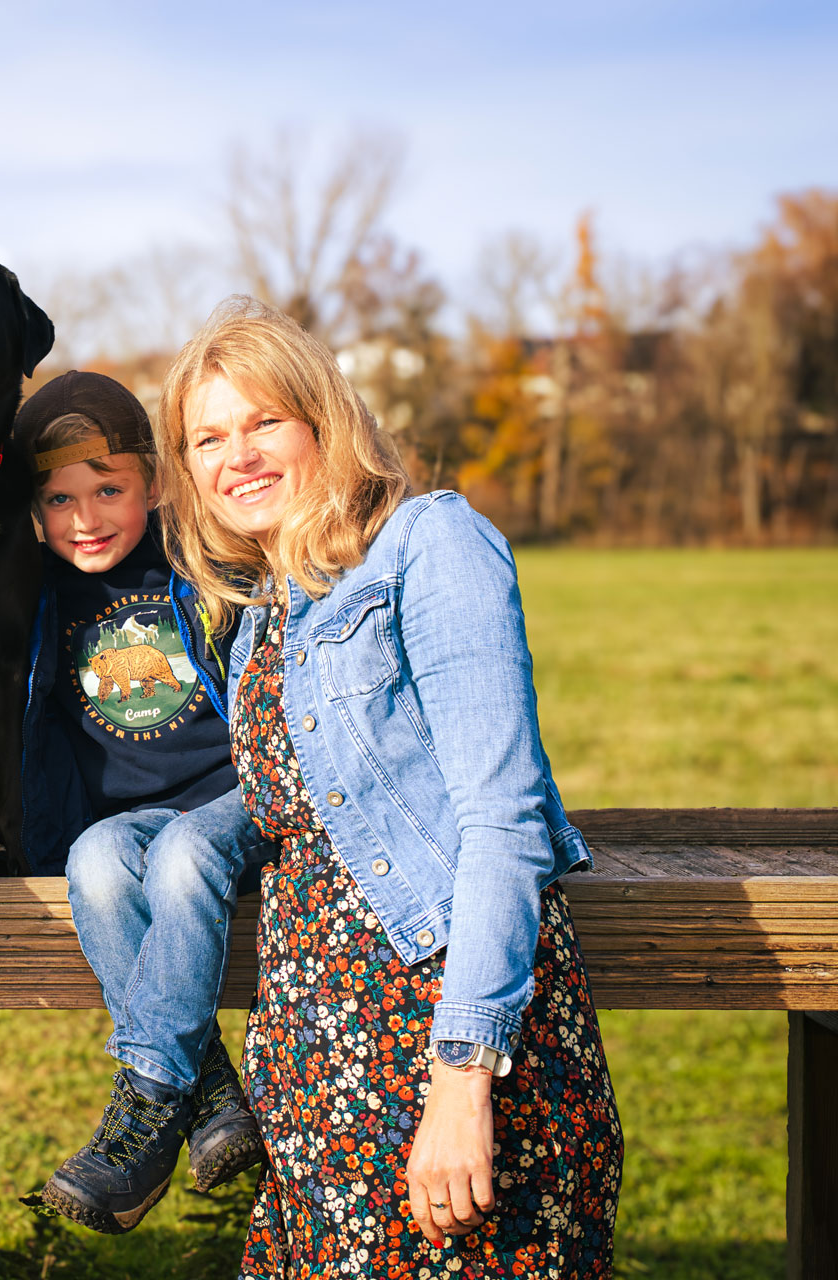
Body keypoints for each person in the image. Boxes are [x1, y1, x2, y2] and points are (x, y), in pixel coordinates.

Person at [154, 297, 623, 1275]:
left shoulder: (428, 544)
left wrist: (462, 1079)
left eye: (262, 421)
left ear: (323, 420)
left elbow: (506, 819)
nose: (236, 453)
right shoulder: (259, 612)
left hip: (440, 1040)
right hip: (311, 1058)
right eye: (207, 437)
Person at [12, 371, 274, 1234]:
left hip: (237, 806)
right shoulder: (42, 596)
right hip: (127, 825)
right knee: (95, 860)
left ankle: (148, 1104)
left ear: (154, 484)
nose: (84, 519)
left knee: (185, 854)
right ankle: (211, 1099)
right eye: (58, 499)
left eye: (108, 490)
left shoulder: (202, 564)